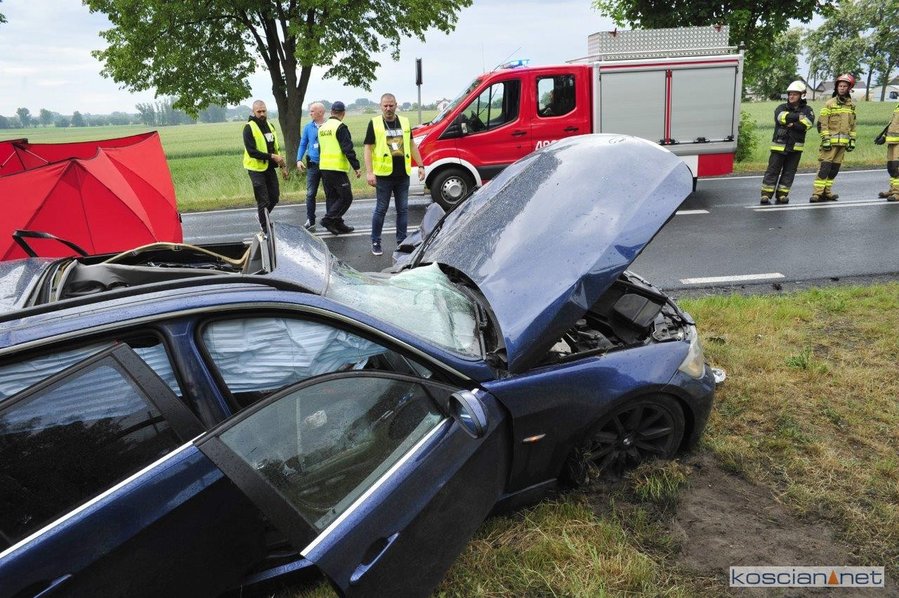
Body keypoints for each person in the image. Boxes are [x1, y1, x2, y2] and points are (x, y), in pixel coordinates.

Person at [364, 93, 425, 256]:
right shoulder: (375, 123)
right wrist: (369, 172)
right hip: (383, 175)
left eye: (391, 105)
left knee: (403, 210)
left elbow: (411, 145)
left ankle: (402, 242)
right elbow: (368, 148)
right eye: (385, 105)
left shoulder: (404, 121)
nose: (388, 108)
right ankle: (376, 241)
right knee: (381, 209)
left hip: (402, 174)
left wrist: (420, 165)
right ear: (380, 106)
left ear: (396, 105)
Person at [759, 81, 814, 205]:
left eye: (795, 94)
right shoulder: (781, 107)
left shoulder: (808, 110)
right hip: (779, 146)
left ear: (802, 95)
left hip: (795, 148)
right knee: (772, 170)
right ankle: (766, 194)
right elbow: (780, 118)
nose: (791, 96)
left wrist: (792, 123)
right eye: (790, 94)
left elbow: (808, 124)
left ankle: (782, 195)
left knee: (789, 172)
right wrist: (798, 117)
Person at [810, 74, 857, 203]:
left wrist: (852, 140)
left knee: (834, 169)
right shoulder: (829, 104)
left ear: (849, 88)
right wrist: (825, 139)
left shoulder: (851, 106)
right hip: (829, 144)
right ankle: (817, 193)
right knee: (824, 168)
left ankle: (827, 192)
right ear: (836, 87)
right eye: (840, 86)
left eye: (844, 86)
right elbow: (823, 124)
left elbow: (853, 125)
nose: (842, 88)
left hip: (843, 145)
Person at [243, 100, 287, 229]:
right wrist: (272, 156)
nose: (262, 114)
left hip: (269, 167)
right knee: (263, 200)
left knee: (274, 197)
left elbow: (275, 148)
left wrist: (283, 166)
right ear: (253, 112)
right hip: (255, 168)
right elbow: (252, 152)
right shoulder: (249, 127)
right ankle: (265, 228)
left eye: (264, 111)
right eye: (259, 111)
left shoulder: (270, 126)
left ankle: (261, 216)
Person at [318, 101, 361, 235]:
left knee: (332, 197)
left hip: (324, 167)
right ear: (343, 113)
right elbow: (347, 148)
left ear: (331, 112)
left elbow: (320, 148)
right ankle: (328, 220)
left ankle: (338, 224)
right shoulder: (340, 127)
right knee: (346, 197)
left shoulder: (322, 128)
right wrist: (356, 166)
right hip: (336, 168)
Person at [296, 102, 327, 230]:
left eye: (312, 111)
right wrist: (299, 159)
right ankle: (311, 220)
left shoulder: (329, 126)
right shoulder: (308, 127)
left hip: (327, 165)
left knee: (330, 193)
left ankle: (331, 220)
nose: (310, 113)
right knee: (310, 194)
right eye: (310, 111)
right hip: (313, 165)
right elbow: (303, 144)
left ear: (320, 112)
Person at [876, 103, 899, 202]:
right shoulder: (898, 106)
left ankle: (897, 192)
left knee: (897, 167)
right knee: (891, 166)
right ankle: (892, 189)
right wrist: (884, 136)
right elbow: (892, 124)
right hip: (892, 141)